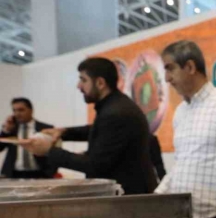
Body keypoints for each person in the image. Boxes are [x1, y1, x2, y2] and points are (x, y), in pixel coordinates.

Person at [20, 58, 158, 195]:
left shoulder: (115, 113)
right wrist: (63, 132)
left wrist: (49, 151)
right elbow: (99, 130)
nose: (79, 86)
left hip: (126, 196)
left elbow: (95, 165)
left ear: (100, 83)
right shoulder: (115, 106)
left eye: (83, 80)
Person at [156, 40, 216, 218]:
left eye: (170, 68)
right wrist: (155, 198)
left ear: (191, 67)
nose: (167, 78)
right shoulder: (181, 112)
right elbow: (181, 164)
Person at [0, 98, 57, 179]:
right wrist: (6, 131)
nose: (17, 114)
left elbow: (54, 152)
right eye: (14, 110)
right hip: (13, 174)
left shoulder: (45, 128)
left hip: (39, 174)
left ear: (31, 110)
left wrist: (51, 172)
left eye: (21, 110)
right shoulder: (11, 128)